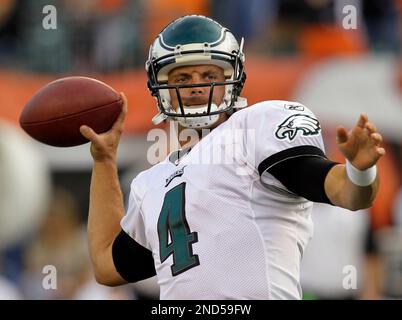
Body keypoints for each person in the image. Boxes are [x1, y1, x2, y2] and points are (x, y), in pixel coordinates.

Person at [80, 15, 385, 299]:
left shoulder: (256, 128)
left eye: (209, 74)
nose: (197, 86)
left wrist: (359, 171)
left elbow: (346, 193)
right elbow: (107, 266)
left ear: (233, 78)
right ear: (162, 88)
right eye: (183, 78)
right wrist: (104, 160)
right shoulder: (150, 182)